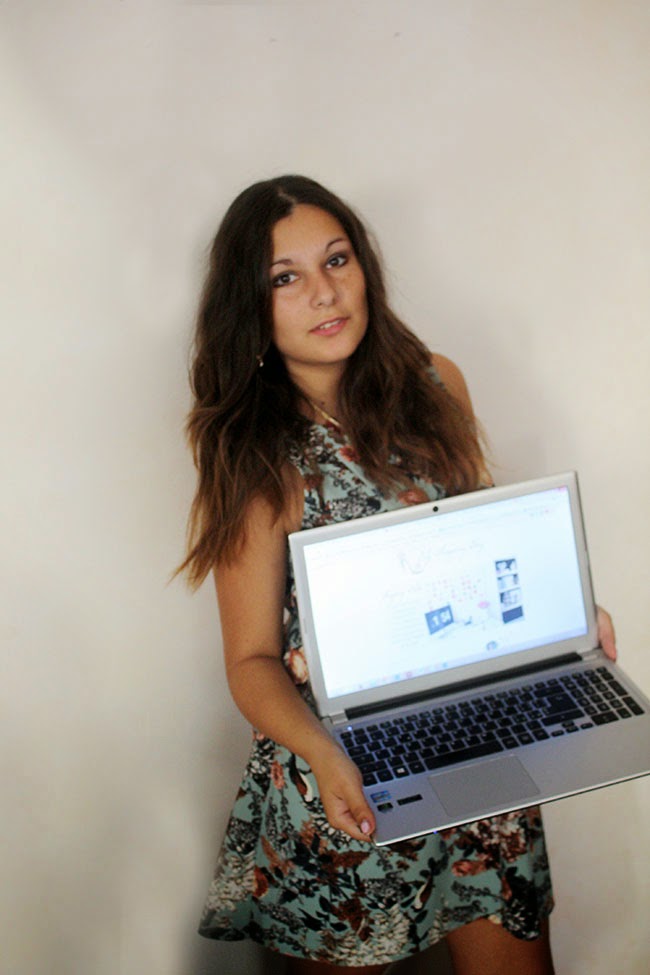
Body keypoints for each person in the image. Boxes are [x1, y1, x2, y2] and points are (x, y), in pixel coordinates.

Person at [180, 175, 617, 974]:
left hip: (478, 746)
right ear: (252, 306)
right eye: (286, 277)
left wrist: (564, 618)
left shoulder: (437, 382)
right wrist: (326, 754)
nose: (324, 292)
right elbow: (250, 661)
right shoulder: (257, 456)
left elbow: (482, 547)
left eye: (336, 259)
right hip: (342, 774)